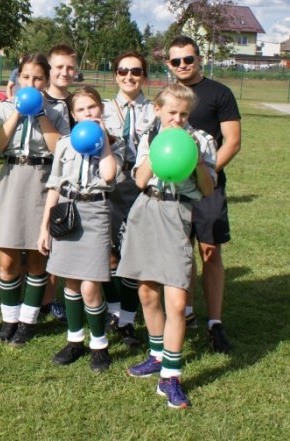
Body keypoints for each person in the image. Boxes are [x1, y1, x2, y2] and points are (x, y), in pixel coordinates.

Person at [117, 83, 217, 409]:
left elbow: (207, 189)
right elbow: (140, 180)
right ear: (158, 110)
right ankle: (157, 355)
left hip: (177, 213)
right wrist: (160, 146)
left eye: (184, 114)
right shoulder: (150, 136)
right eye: (172, 112)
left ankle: (170, 377)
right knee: (147, 292)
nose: (178, 119)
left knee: (176, 301)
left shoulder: (202, 140)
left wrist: (196, 159)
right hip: (146, 209)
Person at [167, 36, 241, 353]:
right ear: (169, 64)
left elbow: (232, 141)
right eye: (176, 61)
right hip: (174, 190)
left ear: (199, 58)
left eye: (188, 59)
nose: (183, 65)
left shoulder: (220, 93)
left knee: (209, 252)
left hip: (208, 188)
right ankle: (185, 313)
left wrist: (205, 175)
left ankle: (215, 323)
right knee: (180, 254)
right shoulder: (168, 96)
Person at [38, 86, 119, 372]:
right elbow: (54, 186)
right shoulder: (65, 143)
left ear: (101, 109)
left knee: (90, 285)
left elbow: (109, 175)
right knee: (71, 282)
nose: (88, 113)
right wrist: (45, 228)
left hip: (95, 213)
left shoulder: (113, 143)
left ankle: (99, 344)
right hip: (68, 211)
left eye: (92, 107)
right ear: (73, 114)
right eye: (81, 109)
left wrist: (103, 140)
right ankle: (75, 340)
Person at [0, 53, 66, 347]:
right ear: (18, 78)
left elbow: (59, 149)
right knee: (7, 257)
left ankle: (27, 321)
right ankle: (9, 320)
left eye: (38, 79)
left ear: (46, 81)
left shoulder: (56, 109)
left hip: (43, 180)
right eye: (26, 77)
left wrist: (41, 113)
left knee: (37, 256)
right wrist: (18, 113)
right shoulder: (4, 107)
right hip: (13, 176)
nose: (31, 83)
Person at [101, 51, 156, 348]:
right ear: (115, 76)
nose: (129, 76)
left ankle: (128, 319)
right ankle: (113, 312)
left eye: (136, 71)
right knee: (109, 252)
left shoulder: (156, 110)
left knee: (135, 255)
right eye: (123, 71)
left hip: (143, 186)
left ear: (144, 75)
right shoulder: (102, 109)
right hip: (111, 184)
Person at [41, 44, 78, 320]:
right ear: (49, 69)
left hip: (68, 179)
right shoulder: (37, 100)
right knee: (39, 241)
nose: (64, 72)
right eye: (59, 67)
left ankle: (51, 298)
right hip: (40, 174)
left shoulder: (79, 102)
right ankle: (38, 298)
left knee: (60, 235)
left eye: (70, 67)